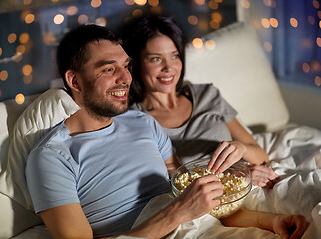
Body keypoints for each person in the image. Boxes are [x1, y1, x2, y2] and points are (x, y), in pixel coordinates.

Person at [25, 24, 309, 238]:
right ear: (74, 80)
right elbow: (183, 208)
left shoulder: (144, 123)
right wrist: (179, 211)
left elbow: (197, 205)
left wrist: (270, 222)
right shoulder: (52, 157)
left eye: (125, 66)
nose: (126, 78)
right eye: (108, 69)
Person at [121, 15, 279, 188]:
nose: (169, 68)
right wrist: (238, 176)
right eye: (156, 59)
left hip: (249, 185)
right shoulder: (136, 120)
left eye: (174, 56)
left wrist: (241, 149)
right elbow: (175, 185)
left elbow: (262, 158)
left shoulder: (206, 94)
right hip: (210, 201)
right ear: (136, 64)